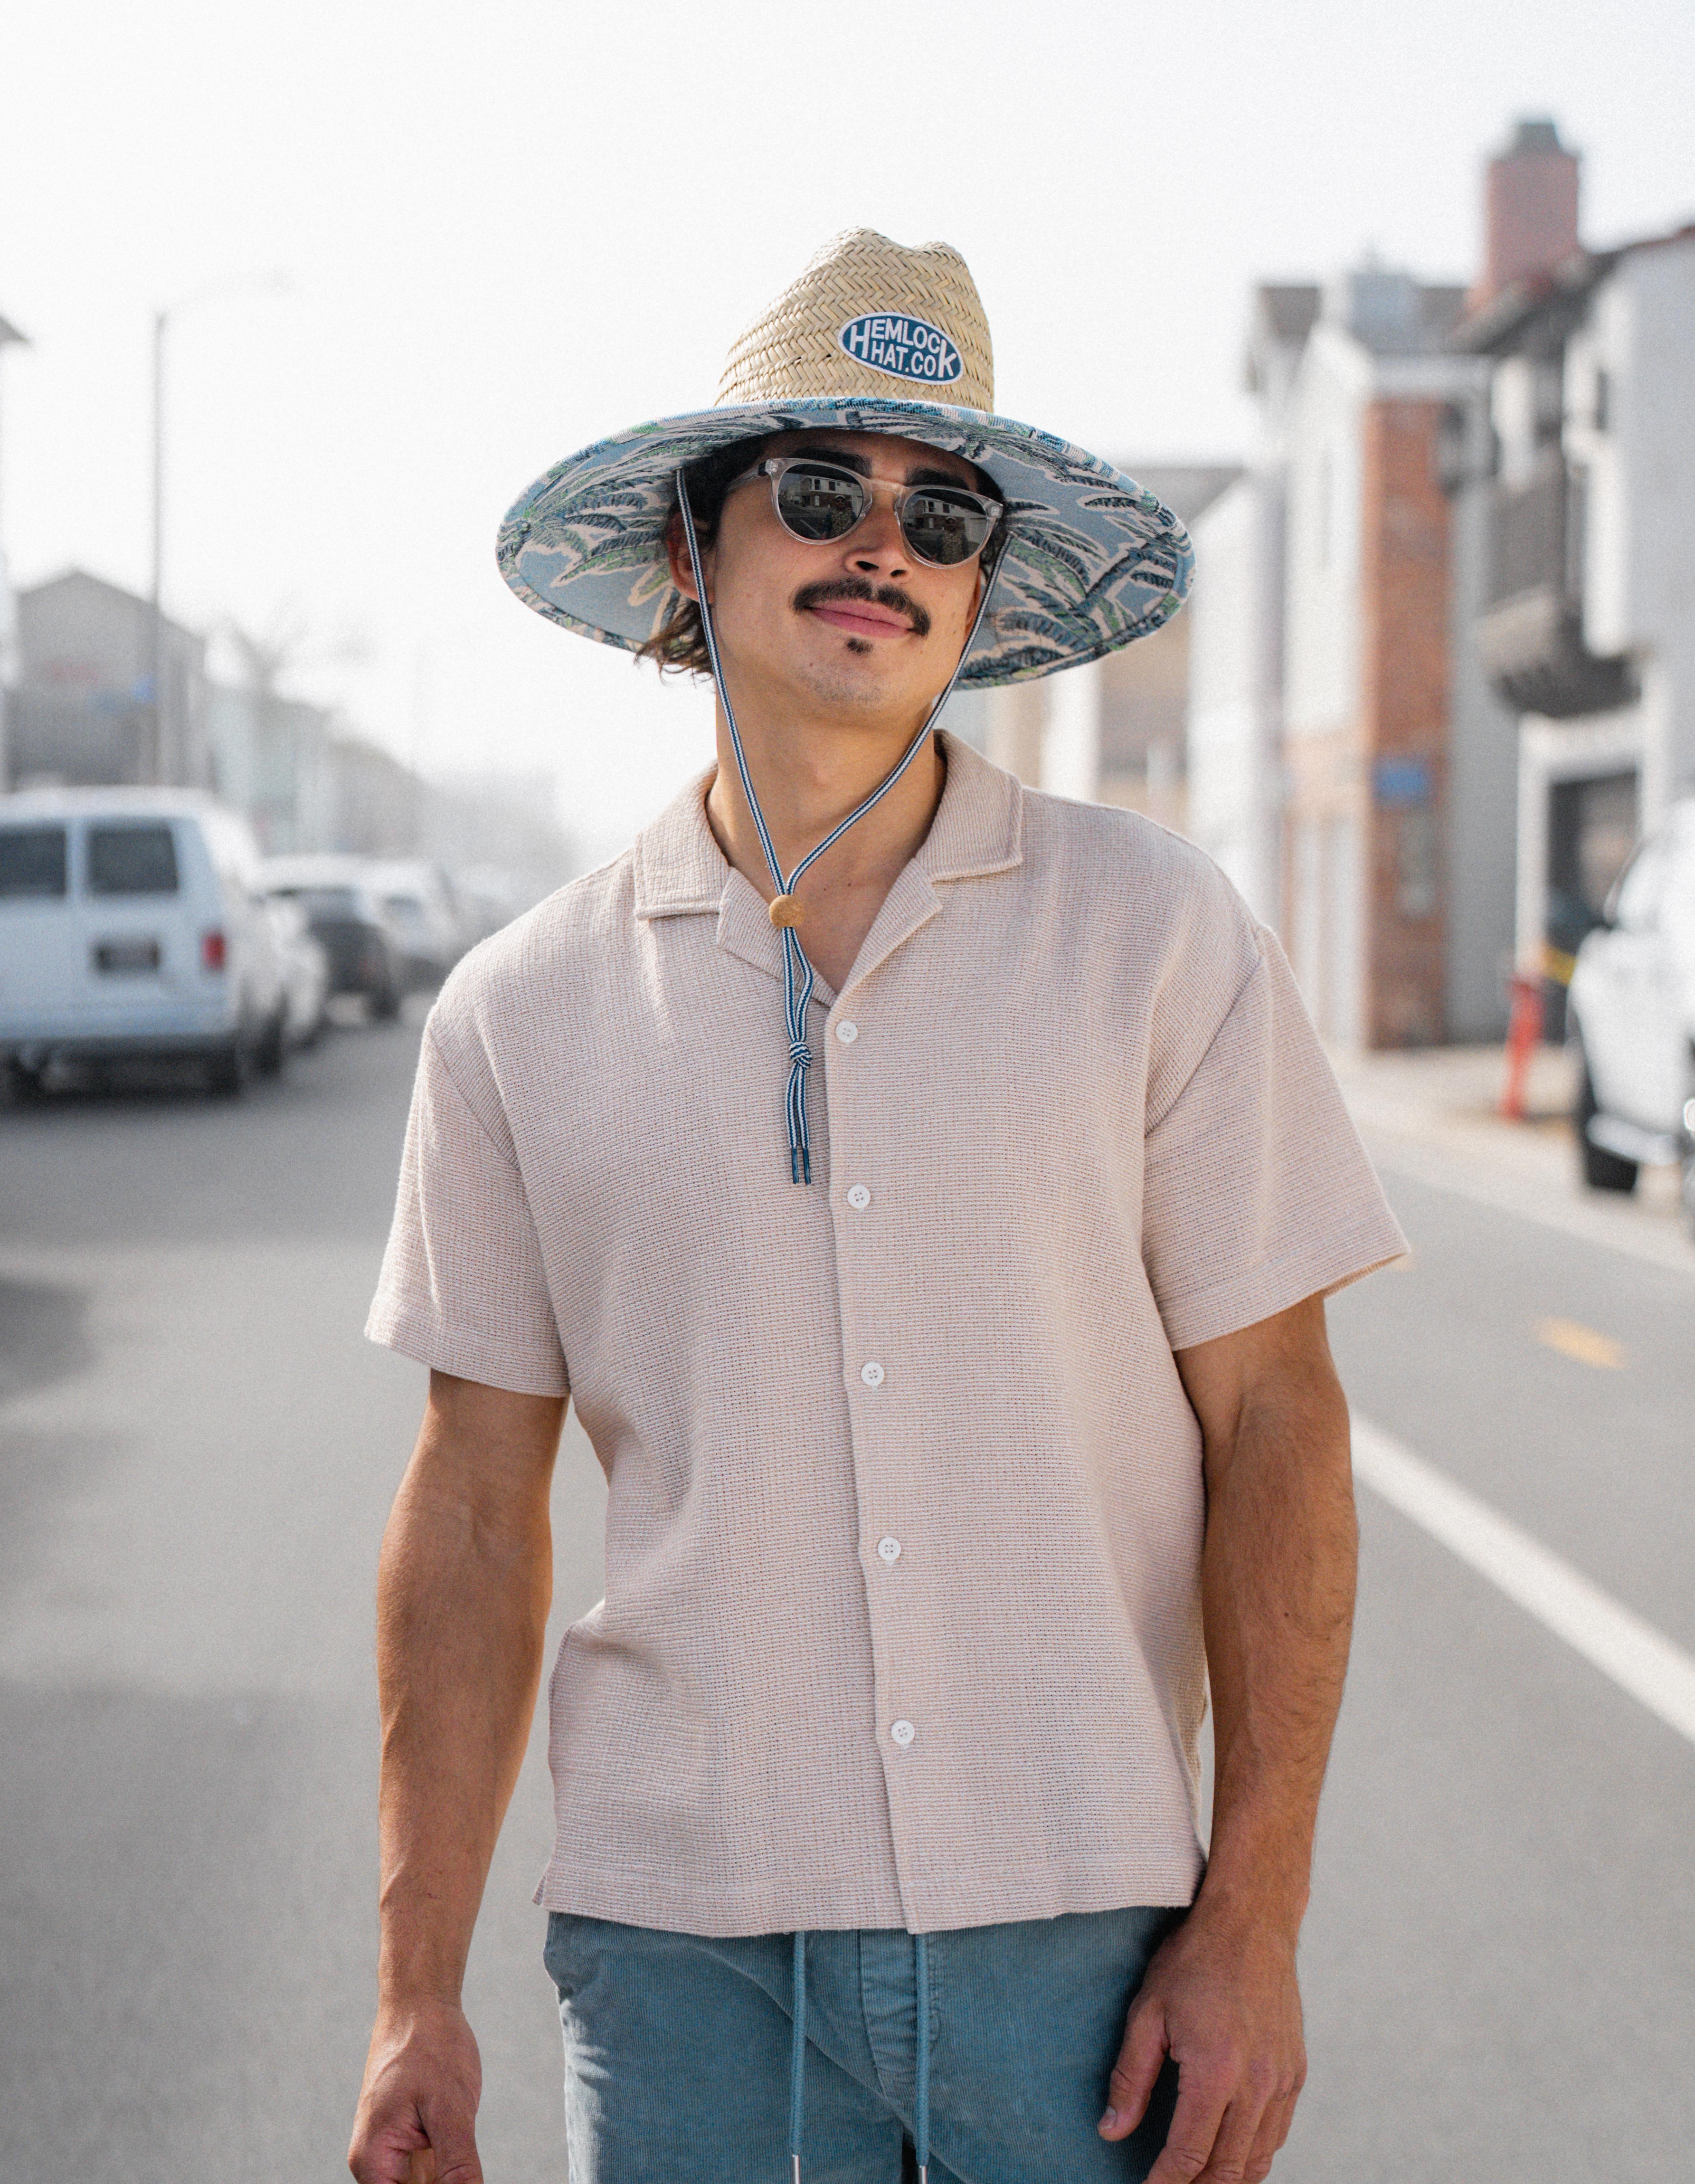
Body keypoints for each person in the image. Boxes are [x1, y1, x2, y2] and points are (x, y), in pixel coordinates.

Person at [348, 230, 1405, 2184]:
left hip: (1080, 1950)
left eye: (943, 512)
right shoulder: (519, 1010)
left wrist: (1250, 1918)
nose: (881, 546)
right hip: (681, 1970)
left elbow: (1276, 1421)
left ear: (981, 585)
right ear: (694, 549)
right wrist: (417, 1984)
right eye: (821, 490)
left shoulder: (1153, 936)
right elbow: (476, 1506)